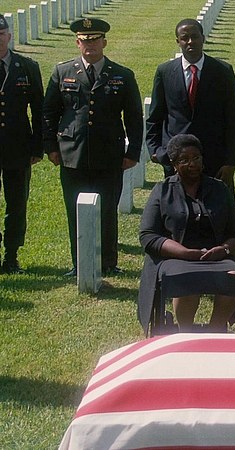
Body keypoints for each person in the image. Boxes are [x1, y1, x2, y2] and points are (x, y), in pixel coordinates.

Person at [43, 18, 143, 276]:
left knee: (107, 209)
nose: (90, 45)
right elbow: (49, 113)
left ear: (104, 42)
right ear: (78, 43)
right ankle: (79, 264)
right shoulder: (63, 72)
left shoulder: (122, 75)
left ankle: (108, 262)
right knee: (75, 209)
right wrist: (51, 147)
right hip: (72, 154)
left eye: (95, 40)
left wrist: (133, 152)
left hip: (109, 154)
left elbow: (133, 117)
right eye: (85, 41)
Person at [138, 134, 235, 333]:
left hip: (216, 257)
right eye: (184, 160)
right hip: (175, 258)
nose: (192, 164)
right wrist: (185, 253)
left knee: (232, 279)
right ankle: (186, 333)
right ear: (174, 165)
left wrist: (224, 249)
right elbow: (148, 235)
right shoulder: (162, 191)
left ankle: (215, 332)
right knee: (187, 281)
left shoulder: (219, 189)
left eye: (196, 158)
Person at [146, 18, 235, 188]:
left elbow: (233, 119)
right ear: (178, 42)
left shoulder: (222, 71)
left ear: (203, 38)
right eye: (185, 38)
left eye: (195, 36)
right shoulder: (165, 71)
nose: (190, 41)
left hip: (214, 159)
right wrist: (156, 151)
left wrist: (231, 162)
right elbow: (155, 116)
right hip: (176, 159)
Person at [0, 16, 43, 274]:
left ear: (9, 36)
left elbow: (38, 110)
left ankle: (11, 255)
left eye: (1, 33)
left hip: (17, 147)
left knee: (17, 204)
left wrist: (37, 147)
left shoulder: (27, 67)